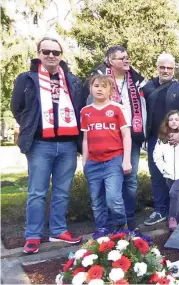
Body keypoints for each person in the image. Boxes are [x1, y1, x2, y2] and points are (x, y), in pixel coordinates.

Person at [11, 37, 84, 254]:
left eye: (56, 52)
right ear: (39, 53)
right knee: (37, 192)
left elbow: (78, 107)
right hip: (40, 144)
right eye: (46, 51)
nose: (51, 55)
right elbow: (18, 108)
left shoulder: (72, 80)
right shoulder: (26, 79)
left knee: (62, 192)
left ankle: (58, 230)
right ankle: (33, 235)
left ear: (61, 55)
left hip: (68, 145)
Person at [83, 46, 146, 231]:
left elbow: (144, 106)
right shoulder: (101, 80)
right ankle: (110, 222)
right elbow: (91, 109)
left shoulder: (137, 80)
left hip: (130, 135)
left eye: (128, 57)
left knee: (130, 179)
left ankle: (129, 219)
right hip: (108, 137)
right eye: (122, 58)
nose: (127, 60)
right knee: (109, 187)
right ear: (111, 61)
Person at [142, 52, 179, 226]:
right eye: (162, 67)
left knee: (174, 177)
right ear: (157, 67)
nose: (165, 70)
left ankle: (174, 214)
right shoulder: (147, 88)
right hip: (155, 139)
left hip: (176, 139)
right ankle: (160, 210)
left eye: (169, 68)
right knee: (157, 175)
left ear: (174, 69)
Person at [80, 75, 132, 235]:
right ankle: (101, 228)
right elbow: (86, 139)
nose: (100, 89)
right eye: (96, 86)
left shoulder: (117, 109)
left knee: (113, 198)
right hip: (93, 162)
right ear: (90, 89)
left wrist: (127, 160)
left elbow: (126, 136)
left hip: (113, 160)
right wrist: (84, 161)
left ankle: (120, 227)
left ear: (110, 90)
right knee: (96, 200)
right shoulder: (85, 112)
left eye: (104, 86)